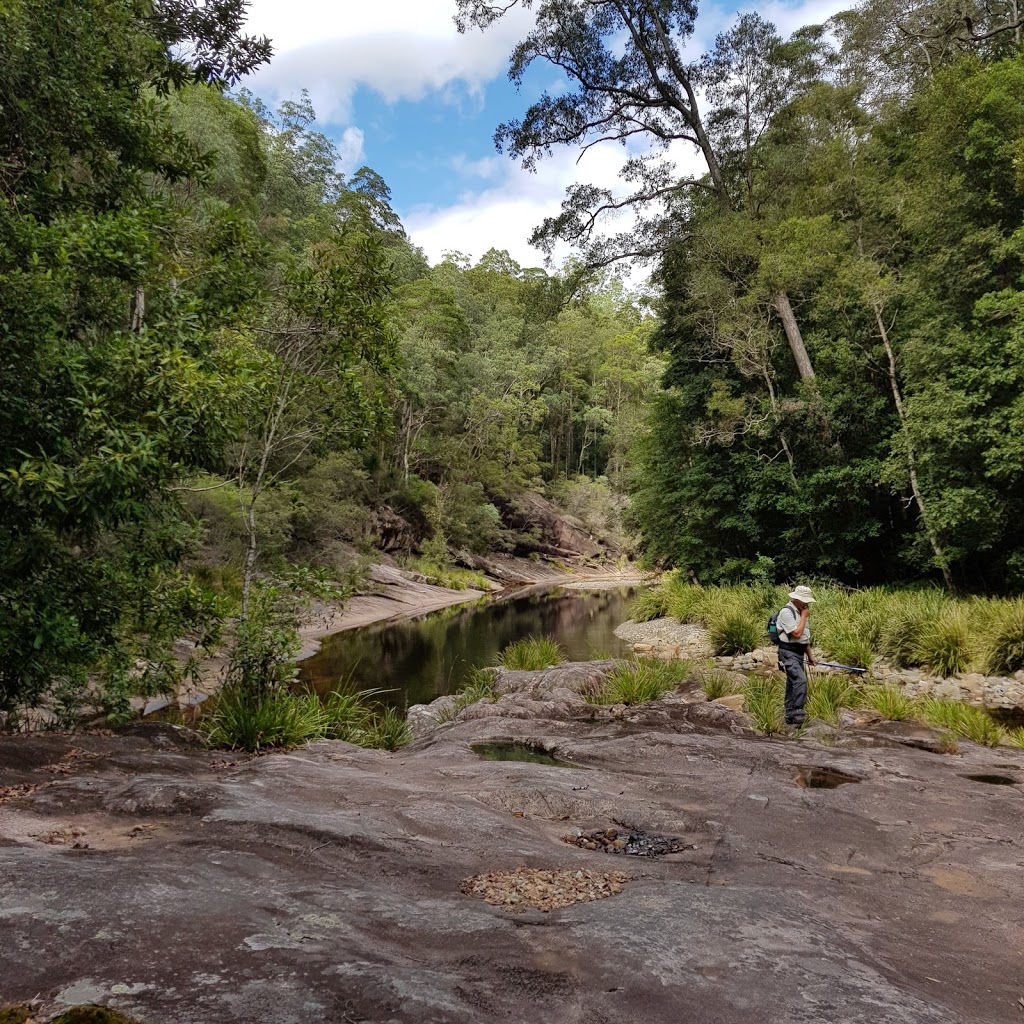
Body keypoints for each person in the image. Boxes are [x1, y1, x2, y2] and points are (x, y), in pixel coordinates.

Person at [776, 585, 817, 725]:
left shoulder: (800, 612)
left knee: (792, 682)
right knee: (800, 680)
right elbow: (797, 634)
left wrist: (810, 656)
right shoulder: (786, 613)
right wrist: (804, 617)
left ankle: (789, 714)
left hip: (798, 652)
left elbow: (804, 638)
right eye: (804, 601)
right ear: (796, 599)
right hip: (787, 652)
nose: (806, 604)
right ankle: (798, 712)